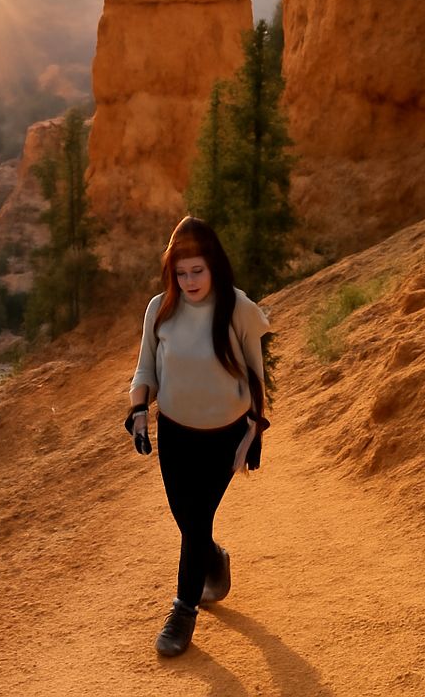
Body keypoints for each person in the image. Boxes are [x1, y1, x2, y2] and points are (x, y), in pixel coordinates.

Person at [126, 215, 271, 657]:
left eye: (197, 271)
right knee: (188, 520)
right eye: (181, 273)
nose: (189, 281)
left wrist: (254, 430)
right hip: (175, 433)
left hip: (224, 436)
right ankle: (213, 559)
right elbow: (146, 368)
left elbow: (257, 375)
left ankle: (183, 611)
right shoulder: (160, 309)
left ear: (214, 266)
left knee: (196, 520)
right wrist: (138, 411)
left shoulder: (238, 309)